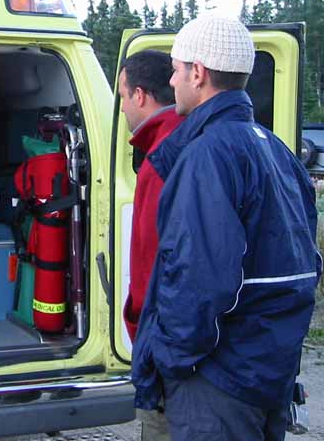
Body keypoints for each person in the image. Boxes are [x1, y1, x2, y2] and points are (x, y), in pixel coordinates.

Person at [132, 16, 322, 441]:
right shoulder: (273, 148)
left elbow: (200, 280)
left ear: (197, 74)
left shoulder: (207, 156)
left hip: (219, 383)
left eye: (177, 69)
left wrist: (172, 360)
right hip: (268, 371)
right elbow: (308, 260)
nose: (174, 80)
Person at [118, 50, 183, 441]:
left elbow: (150, 265)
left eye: (124, 96)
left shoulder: (162, 157)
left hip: (169, 344)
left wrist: (143, 338)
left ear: (140, 96)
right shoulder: (199, 138)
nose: (124, 107)